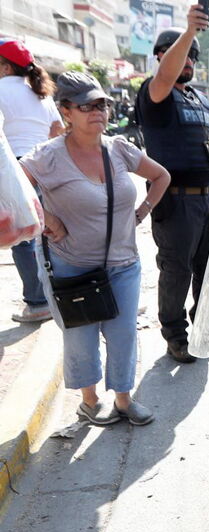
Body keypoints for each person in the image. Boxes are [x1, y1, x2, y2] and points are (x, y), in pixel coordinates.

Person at [20, 72, 170, 425]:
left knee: (123, 335)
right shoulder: (47, 156)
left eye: (102, 104)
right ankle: (89, 401)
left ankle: (123, 400)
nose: (98, 112)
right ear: (66, 112)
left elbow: (161, 176)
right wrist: (47, 219)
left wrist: (142, 211)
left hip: (123, 264)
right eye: (87, 106)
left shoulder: (119, 148)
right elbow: (13, 189)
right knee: (81, 339)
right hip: (71, 266)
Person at [135, 5, 209, 364]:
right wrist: (189, 33)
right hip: (176, 202)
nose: (188, 61)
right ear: (161, 56)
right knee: (177, 272)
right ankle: (175, 335)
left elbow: (208, 151)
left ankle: (202, 329)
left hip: (208, 200)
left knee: (208, 270)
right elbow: (165, 77)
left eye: (192, 57)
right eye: (182, 55)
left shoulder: (198, 98)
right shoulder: (156, 95)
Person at [0, 39, 64, 323]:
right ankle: (53, 294)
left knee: (23, 236)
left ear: (5, 67)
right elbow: (58, 131)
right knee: (46, 232)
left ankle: (38, 302)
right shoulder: (42, 95)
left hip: (14, 170)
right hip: (45, 166)